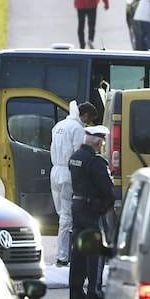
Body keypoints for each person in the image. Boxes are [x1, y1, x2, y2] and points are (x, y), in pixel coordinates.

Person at [68, 125, 115, 299]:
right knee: (96, 251)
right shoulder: (96, 161)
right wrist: (109, 202)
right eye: (102, 141)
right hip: (93, 211)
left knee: (78, 252)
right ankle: (94, 292)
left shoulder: (75, 157)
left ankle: (75, 292)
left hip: (77, 208)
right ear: (98, 142)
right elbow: (107, 189)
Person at [50, 101, 97, 267]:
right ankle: (63, 256)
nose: (87, 122)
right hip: (68, 173)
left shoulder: (59, 125)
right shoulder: (77, 129)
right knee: (67, 217)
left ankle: (65, 254)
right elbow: (78, 155)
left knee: (61, 214)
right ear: (84, 115)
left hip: (55, 171)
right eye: (88, 119)